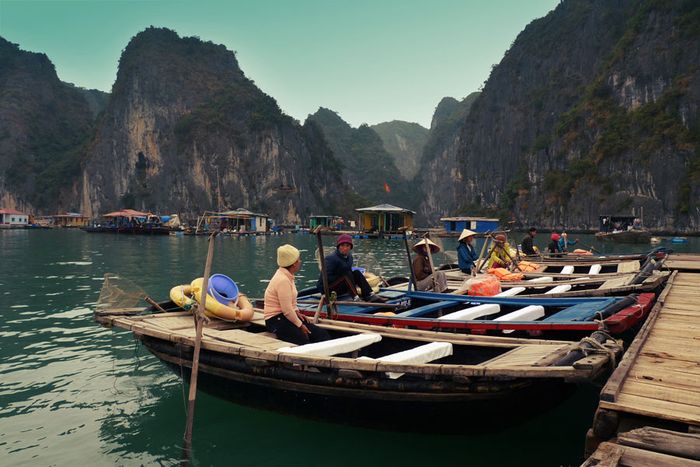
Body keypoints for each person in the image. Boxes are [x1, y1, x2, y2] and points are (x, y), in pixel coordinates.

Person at [264, 244, 330, 345]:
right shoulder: (283, 280)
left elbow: (291, 303)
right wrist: (300, 325)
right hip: (275, 320)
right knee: (303, 339)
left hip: (284, 316)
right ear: (294, 263)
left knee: (321, 334)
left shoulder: (288, 275)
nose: (300, 261)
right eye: (298, 259)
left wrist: (297, 313)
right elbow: (287, 310)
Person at [317, 234, 386, 302]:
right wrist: (341, 277)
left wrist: (349, 279)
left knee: (356, 273)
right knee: (346, 276)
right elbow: (325, 278)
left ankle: (369, 295)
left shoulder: (349, 257)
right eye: (342, 246)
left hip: (342, 285)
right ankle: (356, 298)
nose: (345, 248)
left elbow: (349, 274)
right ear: (338, 247)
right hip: (328, 289)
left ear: (350, 247)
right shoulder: (331, 259)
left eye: (347, 246)